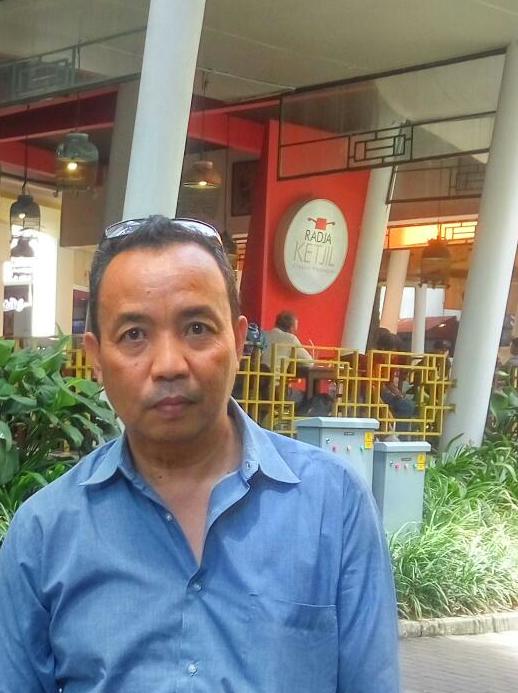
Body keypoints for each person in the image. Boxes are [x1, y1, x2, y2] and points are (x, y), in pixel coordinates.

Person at [0, 216, 399, 692]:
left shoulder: (333, 506)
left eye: (196, 328)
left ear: (238, 341)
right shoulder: (45, 533)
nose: (169, 365)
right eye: (134, 335)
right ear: (97, 357)